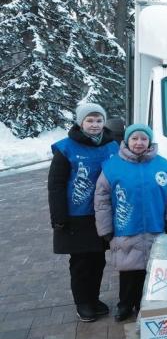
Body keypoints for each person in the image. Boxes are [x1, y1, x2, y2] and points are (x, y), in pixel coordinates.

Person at [94, 124, 167, 321]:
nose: (139, 143)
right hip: (126, 227)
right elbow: (101, 200)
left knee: (152, 270)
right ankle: (124, 304)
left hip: (155, 226)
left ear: (149, 141)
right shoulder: (112, 166)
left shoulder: (162, 164)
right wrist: (105, 228)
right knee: (128, 271)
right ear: (126, 141)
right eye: (134, 139)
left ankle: (146, 304)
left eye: (143, 139)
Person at [48, 103, 119, 322]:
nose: (95, 125)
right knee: (80, 262)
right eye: (90, 120)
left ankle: (93, 298)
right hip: (76, 216)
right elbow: (56, 185)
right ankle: (83, 303)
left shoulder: (112, 146)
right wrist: (58, 217)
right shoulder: (65, 148)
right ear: (81, 123)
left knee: (98, 260)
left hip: (103, 213)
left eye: (99, 120)